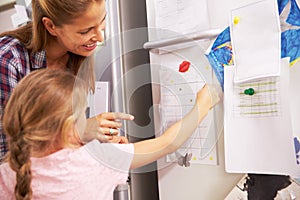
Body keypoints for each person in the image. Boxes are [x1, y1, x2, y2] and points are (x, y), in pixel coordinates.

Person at [0, 69, 220, 200]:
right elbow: (169, 143)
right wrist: (203, 104)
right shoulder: (97, 159)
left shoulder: (8, 170)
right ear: (69, 126)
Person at [0, 0, 132, 162]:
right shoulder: (8, 60)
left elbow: (58, 147)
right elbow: (8, 155)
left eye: (102, 21)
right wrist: (78, 131)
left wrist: (95, 143)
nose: (99, 37)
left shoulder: (75, 55)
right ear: (50, 26)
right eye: (86, 31)